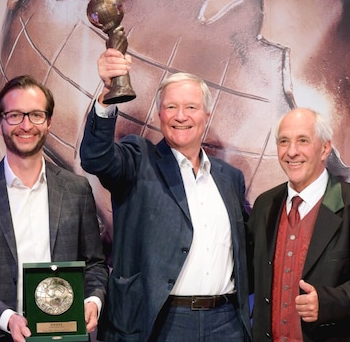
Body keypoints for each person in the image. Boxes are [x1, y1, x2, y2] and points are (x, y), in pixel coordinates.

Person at [79, 48, 252, 341]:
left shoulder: (229, 177)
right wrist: (108, 95)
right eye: (171, 107)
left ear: (207, 115)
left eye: (191, 108)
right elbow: (96, 157)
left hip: (226, 322)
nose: (180, 116)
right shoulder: (137, 159)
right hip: (160, 321)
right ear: (159, 114)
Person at [0, 75, 108, 342]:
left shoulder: (76, 189)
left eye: (35, 115)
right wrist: (7, 318)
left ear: (48, 123)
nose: (26, 125)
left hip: (64, 335)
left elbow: (95, 264)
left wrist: (93, 300)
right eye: (15, 115)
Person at [247, 108, 350, 341]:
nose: (291, 152)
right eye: (284, 142)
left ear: (325, 148)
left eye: (303, 141)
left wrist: (326, 303)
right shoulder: (265, 205)